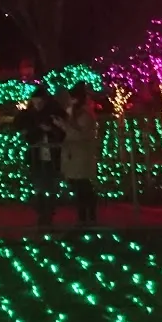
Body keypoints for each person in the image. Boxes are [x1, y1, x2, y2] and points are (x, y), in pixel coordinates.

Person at [14, 86, 64, 227]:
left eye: (40, 101)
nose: (38, 104)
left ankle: (48, 214)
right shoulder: (29, 115)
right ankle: (42, 213)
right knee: (38, 186)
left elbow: (62, 130)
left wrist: (51, 130)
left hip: (52, 155)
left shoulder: (53, 112)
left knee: (51, 185)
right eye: (35, 102)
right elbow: (22, 128)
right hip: (36, 155)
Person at [58, 83, 100, 225]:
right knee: (80, 187)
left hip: (81, 155)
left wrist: (64, 127)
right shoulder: (75, 112)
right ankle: (84, 218)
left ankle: (88, 218)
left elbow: (80, 134)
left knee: (84, 187)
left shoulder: (85, 114)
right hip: (75, 155)